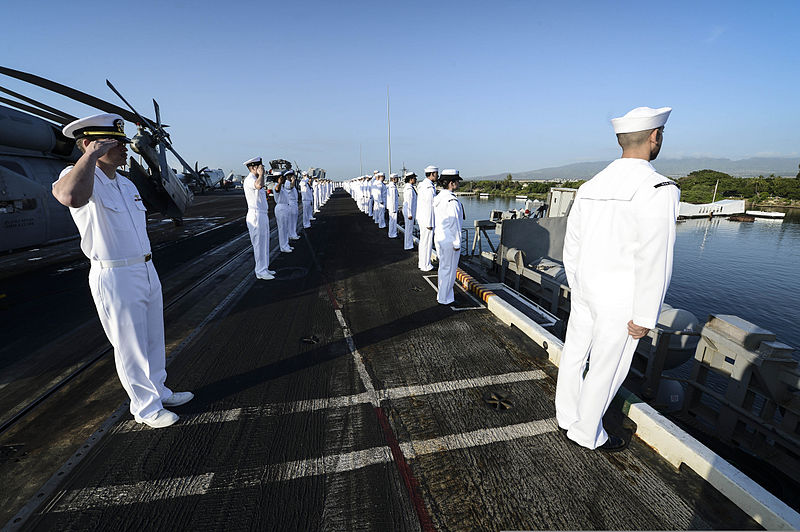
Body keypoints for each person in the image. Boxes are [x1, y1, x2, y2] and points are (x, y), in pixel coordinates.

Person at [52, 113, 193, 429]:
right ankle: (145, 408)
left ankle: (159, 391)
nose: (124, 148)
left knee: (154, 338)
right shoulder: (77, 176)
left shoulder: (126, 182)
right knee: (130, 345)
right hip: (113, 274)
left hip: (145, 268)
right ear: (89, 144)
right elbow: (70, 196)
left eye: (122, 142)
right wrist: (88, 155)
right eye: (114, 143)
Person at [555, 106, 680, 452]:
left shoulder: (590, 185)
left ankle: (567, 416)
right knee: (608, 366)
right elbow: (655, 257)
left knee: (575, 355)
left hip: (585, 288)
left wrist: (577, 286)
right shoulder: (657, 188)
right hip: (622, 297)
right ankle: (586, 432)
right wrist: (645, 315)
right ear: (655, 137)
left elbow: (572, 245)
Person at [432, 169, 464, 304]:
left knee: (443, 268)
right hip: (450, 241)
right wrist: (457, 243)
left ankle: (443, 295)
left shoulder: (439, 198)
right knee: (449, 271)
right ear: (451, 183)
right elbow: (454, 224)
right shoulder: (452, 201)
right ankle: (445, 298)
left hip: (440, 237)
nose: (458, 184)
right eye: (456, 181)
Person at [243, 157, 276, 280]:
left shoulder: (256, 178)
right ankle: (260, 271)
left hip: (262, 214)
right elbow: (258, 185)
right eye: (260, 167)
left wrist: (261, 174)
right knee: (258, 244)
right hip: (255, 215)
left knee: (265, 242)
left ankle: (265, 268)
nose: (262, 169)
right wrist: (261, 174)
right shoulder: (250, 179)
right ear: (253, 167)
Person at [416, 165, 438, 271]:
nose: (437, 176)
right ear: (432, 174)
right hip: (427, 219)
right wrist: (430, 223)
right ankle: (426, 265)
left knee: (424, 242)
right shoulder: (428, 187)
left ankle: (422, 263)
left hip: (422, 218)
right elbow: (429, 205)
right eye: (436, 174)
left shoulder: (424, 185)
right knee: (427, 242)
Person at [273, 170, 293, 253]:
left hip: (285, 207)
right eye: (281, 178)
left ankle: (286, 244)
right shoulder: (276, 186)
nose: (283, 179)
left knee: (286, 228)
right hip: (281, 208)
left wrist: (281, 183)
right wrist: (279, 183)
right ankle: (283, 247)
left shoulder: (283, 187)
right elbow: (277, 189)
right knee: (282, 228)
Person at [402, 171, 418, 250]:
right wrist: (409, 214)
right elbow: (408, 202)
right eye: (414, 178)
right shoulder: (409, 189)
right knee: (409, 230)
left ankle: (408, 244)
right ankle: (408, 246)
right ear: (411, 179)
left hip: (409, 212)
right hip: (409, 213)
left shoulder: (409, 188)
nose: (415, 180)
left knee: (409, 229)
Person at [286, 170, 301, 241]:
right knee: (292, 220)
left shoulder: (289, 182)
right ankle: (292, 234)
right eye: (291, 175)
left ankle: (293, 233)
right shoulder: (287, 183)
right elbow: (291, 187)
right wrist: (293, 180)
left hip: (294, 203)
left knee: (294, 220)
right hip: (291, 203)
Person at [386, 173, 400, 237]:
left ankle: (392, 233)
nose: (398, 180)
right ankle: (392, 234)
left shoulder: (391, 186)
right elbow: (392, 198)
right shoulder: (392, 187)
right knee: (393, 221)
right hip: (393, 207)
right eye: (397, 178)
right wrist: (394, 208)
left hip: (391, 206)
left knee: (392, 221)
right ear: (394, 179)